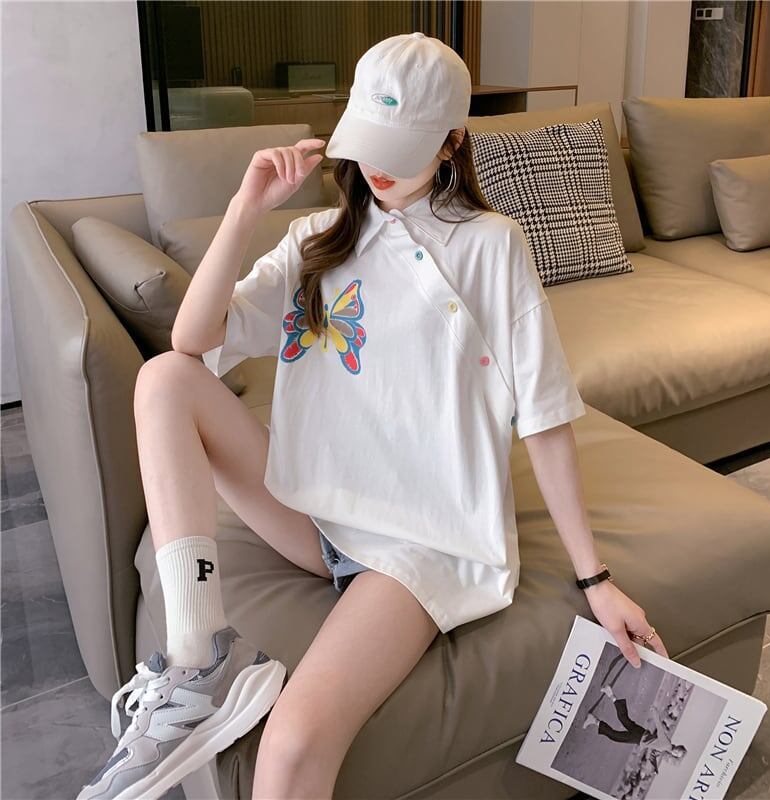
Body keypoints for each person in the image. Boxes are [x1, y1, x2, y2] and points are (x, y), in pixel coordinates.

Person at [78, 32, 669, 800]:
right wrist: (245, 207)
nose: (379, 166)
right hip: (313, 512)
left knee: (291, 747)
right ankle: (199, 660)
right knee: (164, 379)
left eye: (402, 148)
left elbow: (546, 416)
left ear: (452, 141)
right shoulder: (313, 243)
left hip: (420, 541)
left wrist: (596, 579)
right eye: (369, 142)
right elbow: (191, 341)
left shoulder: (492, 246)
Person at [583, 684, 688, 774]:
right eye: (678, 751)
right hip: (638, 737)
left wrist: (655, 768)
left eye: (677, 755)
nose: (675, 753)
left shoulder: (665, 749)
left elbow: (653, 754)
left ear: (674, 756)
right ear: (678, 746)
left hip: (641, 733)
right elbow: (660, 728)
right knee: (615, 736)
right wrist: (655, 712)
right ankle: (593, 719)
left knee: (624, 719)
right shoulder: (667, 745)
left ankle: (609, 692)